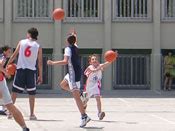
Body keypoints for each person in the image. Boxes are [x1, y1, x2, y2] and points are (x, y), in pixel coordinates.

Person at [47, 31, 91, 127]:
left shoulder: (68, 49)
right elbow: (75, 41)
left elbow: (65, 61)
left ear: (67, 41)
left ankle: (84, 116)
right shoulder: (76, 47)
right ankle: (81, 94)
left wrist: (53, 63)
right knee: (62, 84)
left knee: (76, 98)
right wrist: (74, 35)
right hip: (74, 71)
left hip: (73, 74)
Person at [7, 27, 43, 120]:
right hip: (31, 71)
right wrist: (41, 75)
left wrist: (7, 65)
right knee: (31, 94)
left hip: (21, 70)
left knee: (14, 92)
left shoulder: (22, 42)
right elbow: (40, 62)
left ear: (29, 34)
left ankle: (10, 113)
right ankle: (31, 114)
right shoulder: (38, 46)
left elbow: (14, 55)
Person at [0, 45, 30, 131]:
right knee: (10, 106)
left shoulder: (3, 57)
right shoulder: (3, 57)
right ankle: (24, 127)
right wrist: (6, 72)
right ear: (5, 51)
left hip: (1, 81)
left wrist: (5, 72)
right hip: (2, 81)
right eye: (9, 52)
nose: (10, 53)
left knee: (10, 106)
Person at [83, 54, 112, 120]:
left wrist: (112, 58)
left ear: (98, 61)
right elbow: (93, 70)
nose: (94, 60)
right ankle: (84, 113)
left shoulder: (100, 66)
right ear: (90, 62)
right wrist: (97, 69)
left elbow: (106, 64)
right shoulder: (90, 67)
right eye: (93, 59)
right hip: (88, 86)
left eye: (96, 59)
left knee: (98, 99)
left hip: (96, 85)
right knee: (85, 101)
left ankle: (99, 113)